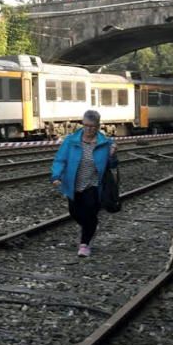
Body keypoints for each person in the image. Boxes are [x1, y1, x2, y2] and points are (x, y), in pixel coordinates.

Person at [50, 110, 117, 258]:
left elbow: (112, 166)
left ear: (98, 126)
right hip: (73, 184)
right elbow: (60, 159)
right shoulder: (71, 140)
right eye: (86, 125)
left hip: (93, 185)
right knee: (75, 213)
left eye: (92, 126)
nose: (89, 129)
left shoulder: (105, 143)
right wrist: (56, 176)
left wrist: (112, 155)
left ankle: (84, 244)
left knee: (90, 213)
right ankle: (90, 228)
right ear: (82, 124)